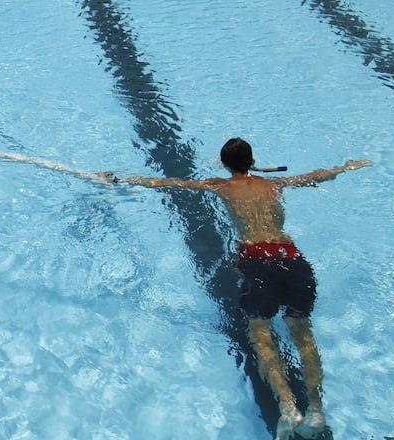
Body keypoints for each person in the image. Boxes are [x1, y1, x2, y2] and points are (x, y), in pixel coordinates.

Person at [101, 138, 371, 440]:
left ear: (226, 164)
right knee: (303, 336)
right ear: (252, 160)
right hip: (291, 258)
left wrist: (121, 179)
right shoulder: (274, 184)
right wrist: (345, 167)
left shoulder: (222, 185)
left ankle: (288, 407)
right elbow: (314, 177)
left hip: (257, 263)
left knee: (262, 336)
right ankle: (317, 410)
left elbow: (171, 183)